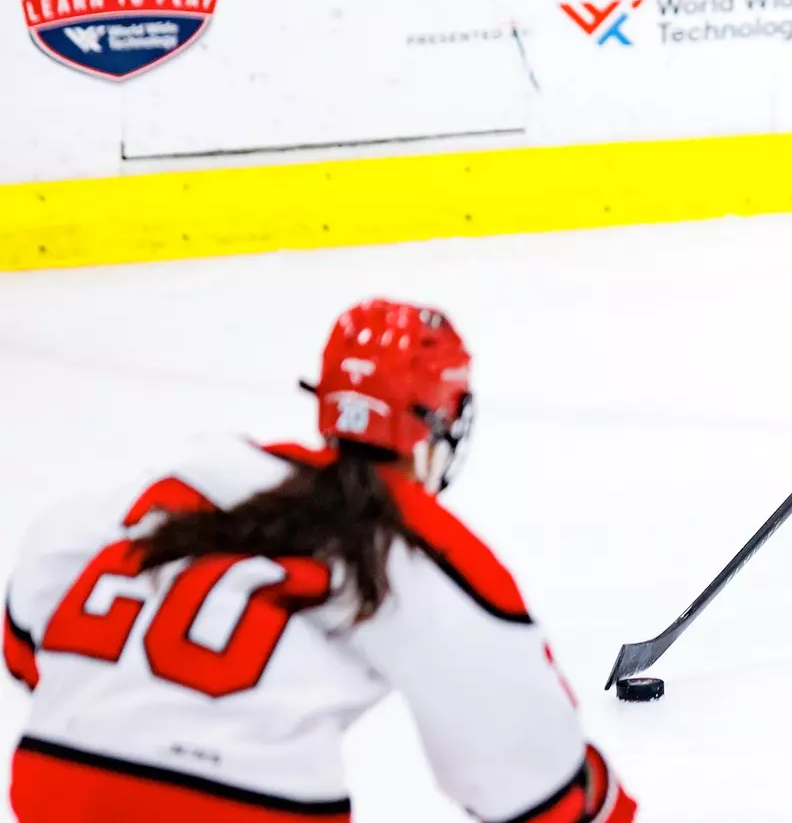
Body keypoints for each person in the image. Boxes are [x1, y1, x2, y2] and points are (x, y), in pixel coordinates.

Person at [3, 299, 636, 823]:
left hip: (54, 778)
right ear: (438, 420)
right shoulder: (421, 546)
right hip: (245, 808)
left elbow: (27, 620)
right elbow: (527, 779)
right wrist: (602, 800)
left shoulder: (207, 471)